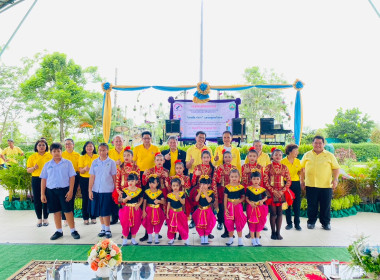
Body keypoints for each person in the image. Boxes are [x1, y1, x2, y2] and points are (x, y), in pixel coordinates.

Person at [40, 143, 80, 240]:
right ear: (51, 153)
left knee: (68, 211)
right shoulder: (47, 165)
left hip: (65, 190)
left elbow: (72, 177)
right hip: (51, 191)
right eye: (54, 151)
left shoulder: (67, 163)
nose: (56, 153)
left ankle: (73, 230)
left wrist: (71, 191)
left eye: (58, 151)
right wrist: (42, 194)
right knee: (56, 211)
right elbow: (43, 179)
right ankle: (59, 231)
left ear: (61, 152)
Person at [300, 136, 340, 231]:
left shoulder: (330, 155)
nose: (318, 145)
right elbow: (301, 169)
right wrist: (302, 181)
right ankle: (311, 222)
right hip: (311, 185)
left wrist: (335, 180)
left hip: (325, 185)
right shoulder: (307, 155)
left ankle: (326, 223)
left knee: (325, 206)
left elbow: (336, 168)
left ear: (323, 144)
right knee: (311, 205)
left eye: (320, 143)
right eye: (316, 143)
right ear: (312, 143)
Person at [89, 143, 117, 239]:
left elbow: (114, 177)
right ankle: (103, 229)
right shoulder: (94, 162)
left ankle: (108, 229)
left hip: (108, 190)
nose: (102, 152)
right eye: (100, 150)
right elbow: (92, 176)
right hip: (96, 190)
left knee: (106, 211)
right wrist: (90, 190)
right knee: (99, 211)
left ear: (107, 150)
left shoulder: (111, 162)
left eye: (104, 150)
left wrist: (116, 190)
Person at [263, 148, 292, 240]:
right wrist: (273, 191)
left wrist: (282, 191)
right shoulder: (268, 167)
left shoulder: (284, 167)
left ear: (282, 156)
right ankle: (273, 232)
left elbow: (288, 180)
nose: (278, 156)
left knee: (280, 212)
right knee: (273, 213)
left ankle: (278, 232)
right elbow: (265, 180)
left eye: (280, 155)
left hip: (282, 192)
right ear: (272, 156)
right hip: (271, 192)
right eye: (276, 154)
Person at [141, 153, 168, 241]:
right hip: (151, 194)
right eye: (157, 160)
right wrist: (144, 175)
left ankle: (157, 232)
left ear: (163, 161)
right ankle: (147, 233)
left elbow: (169, 184)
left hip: (161, 194)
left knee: (159, 214)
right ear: (154, 161)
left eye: (161, 160)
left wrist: (167, 178)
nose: (159, 162)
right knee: (149, 214)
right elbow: (145, 183)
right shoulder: (150, 170)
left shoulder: (166, 171)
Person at [27, 139, 52, 227]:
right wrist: (34, 168)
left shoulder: (50, 155)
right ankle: (39, 219)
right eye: (39, 145)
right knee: (37, 199)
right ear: (36, 147)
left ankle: (46, 218)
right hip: (36, 179)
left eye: (43, 145)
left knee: (47, 198)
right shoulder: (32, 157)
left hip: (48, 179)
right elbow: (28, 170)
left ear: (46, 147)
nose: (41, 147)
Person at [189, 149, 216, 230]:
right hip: (198, 191)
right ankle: (195, 223)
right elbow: (193, 183)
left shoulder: (212, 168)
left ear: (210, 158)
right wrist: (195, 175)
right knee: (197, 209)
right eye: (204, 157)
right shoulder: (197, 167)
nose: (206, 159)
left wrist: (213, 193)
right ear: (201, 158)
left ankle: (208, 229)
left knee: (208, 210)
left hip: (208, 191)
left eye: (207, 157)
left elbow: (214, 182)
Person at [212, 150, 237, 237]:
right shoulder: (219, 167)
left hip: (232, 192)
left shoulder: (234, 168)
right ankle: (226, 231)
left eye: (229, 157)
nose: (227, 158)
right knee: (223, 210)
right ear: (223, 158)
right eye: (225, 157)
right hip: (222, 192)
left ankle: (230, 231)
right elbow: (215, 180)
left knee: (231, 211)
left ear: (231, 158)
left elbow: (238, 181)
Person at [281, 144, 303, 231]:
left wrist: (301, 178)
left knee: (297, 204)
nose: (297, 152)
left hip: (296, 184)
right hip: (286, 184)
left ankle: (297, 224)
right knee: (288, 204)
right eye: (295, 151)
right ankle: (289, 224)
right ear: (290, 151)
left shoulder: (298, 161)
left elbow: (300, 171)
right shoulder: (283, 161)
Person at [118, 172, 143, 246]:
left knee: (136, 224)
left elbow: (141, 198)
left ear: (136, 181)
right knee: (125, 224)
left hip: (136, 210)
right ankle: (125, 240)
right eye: (129, 181)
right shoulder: (125, 190)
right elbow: (122, 201)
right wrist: (126, 198)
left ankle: (133, 239)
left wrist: (138, 204)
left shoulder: (139, 190)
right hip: (127, 210)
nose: (130, 182)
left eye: (132, 181)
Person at [78, 141, 99, 225]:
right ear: (85, 148)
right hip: (85, 180)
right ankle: (85, 218)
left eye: (91, 146)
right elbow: (80, 171)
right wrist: (84, 169)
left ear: (93, 147)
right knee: (86, 198)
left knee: (94, 198)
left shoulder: (97, 157)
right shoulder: (82, 157)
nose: (89, 148)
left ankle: (93, 217)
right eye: (87, 146)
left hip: (95, 180)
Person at [224, 169, 246, 246]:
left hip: (238, 206)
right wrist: (225, 208)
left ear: (239, 177)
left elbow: (243, 197)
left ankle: (240, 239)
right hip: (229, 206)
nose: (234, 178)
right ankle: (230, 238)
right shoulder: (227, 187)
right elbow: (225, 198)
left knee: (239, 221)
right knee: (229, 222)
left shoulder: (241, 187)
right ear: (229, 177)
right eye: (232, 176)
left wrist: (239, 201)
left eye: (236, 177)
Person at [61, 138, 81, 226]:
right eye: (66, 144)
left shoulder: (78, 155)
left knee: (71, 198)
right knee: (63, 198)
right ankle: (64, 218)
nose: (68, 146)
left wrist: (79, 184)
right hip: (63, 178)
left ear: (73, 145)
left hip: (74, 177)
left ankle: (71, 218)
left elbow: (79, 170)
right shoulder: (61, 155)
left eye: (69, 144)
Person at [246, 171, 268, 246]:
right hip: (251, 207)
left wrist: (262, 201)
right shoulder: (249, 189)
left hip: (260, 208)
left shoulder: (262, 189)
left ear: (260, 180)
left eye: (257, 179)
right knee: (252, 223)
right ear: (251, 179)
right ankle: (252, 239)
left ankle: (257, 239)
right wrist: (250, 203)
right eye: (254, 179)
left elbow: (265, 197)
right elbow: (246, 198)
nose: (256, 181)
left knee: (259, 223)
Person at [142, 175, 165, 244]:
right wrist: (143, 211)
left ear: (158, 183)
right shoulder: (146, 192)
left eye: (154, 183)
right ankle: (150, 238)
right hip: (149, 210)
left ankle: (156, 238)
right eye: (150, 183)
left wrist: (159, 201)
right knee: (149, 223)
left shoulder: (159, 192)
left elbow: (164, 202)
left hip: (157, 210)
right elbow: (144, 202)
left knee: (157, 223)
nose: (151, 185)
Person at [193, 175, 216, 245]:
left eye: (204, 184)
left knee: (208, 224)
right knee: (200, 224)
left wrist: (205, 192)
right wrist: (200, 191)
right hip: (200, 210)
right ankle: (202, 237)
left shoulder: (211, 192)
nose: (202, 185)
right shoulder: (197, 191)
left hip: (207, 211)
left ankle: (206, 237)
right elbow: (196, 199)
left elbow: (209, 200)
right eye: (201, 184)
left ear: (209, 185)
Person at [166, 178, 189, 246]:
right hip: (172, 213)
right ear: (171, 186)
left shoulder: (182, 194)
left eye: (177, 185)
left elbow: (183, 203)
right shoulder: (170, 195)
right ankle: (171, 238)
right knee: (171, 226)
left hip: (180, 212)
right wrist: (167, 213)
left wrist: (179, 198)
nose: (175, 187)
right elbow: (168, 205)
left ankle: (186, 239)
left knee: (182, 226)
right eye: (174, 186)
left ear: (179, 186)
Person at [108, 135, 125, 225]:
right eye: (116, 141)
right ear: (113, 142)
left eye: (120, 141)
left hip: (124, 178)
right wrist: (114, 163)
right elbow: (106, 163)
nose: (118, 143)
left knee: (123, 196)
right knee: (114, 197)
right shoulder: (109, 152)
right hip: (113, 177)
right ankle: (114, 217)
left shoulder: (127, 151)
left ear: (123, 142)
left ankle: (123, 217)